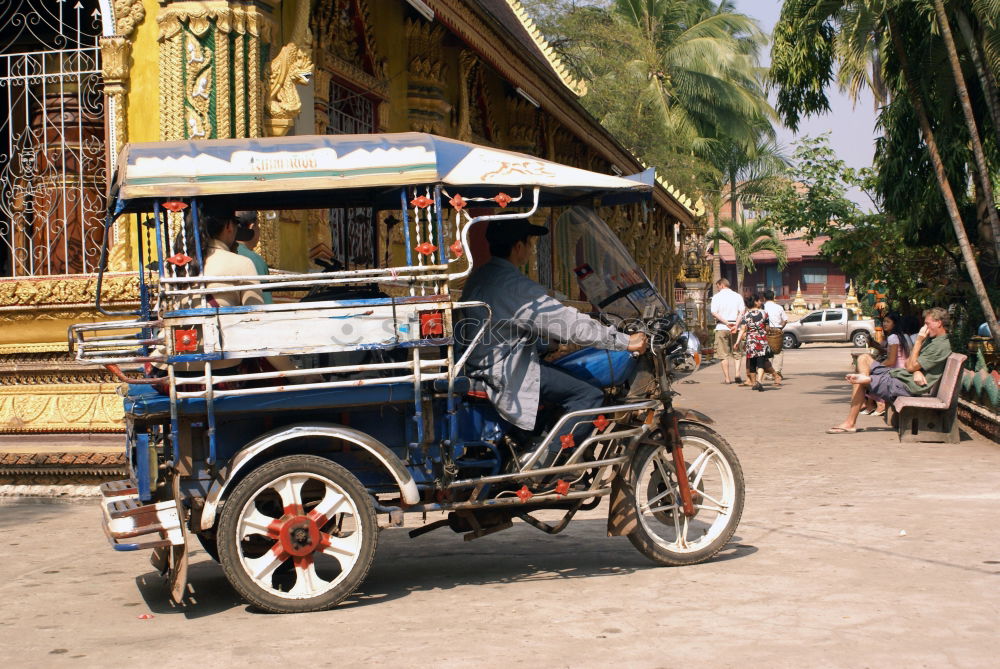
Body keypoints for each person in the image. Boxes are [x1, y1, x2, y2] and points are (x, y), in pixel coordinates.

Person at [459, 219, 648, 466]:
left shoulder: (483, 275)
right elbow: (566, 322)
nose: (532, 249)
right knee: (588, 395)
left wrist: (544, 345)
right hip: (504, 369)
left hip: (487, 361)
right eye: (530, 244)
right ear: (518, 247)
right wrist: (622, 341)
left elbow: (506, 326)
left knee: (563, 375)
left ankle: (536, 440)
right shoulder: (514, 285)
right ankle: (547, 461)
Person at [827, 307, 953, 434]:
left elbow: (909, 365)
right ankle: (867, 379)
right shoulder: (932, 340)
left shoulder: (940, 345)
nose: (924, 328)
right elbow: (909, 363)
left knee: (859, 382)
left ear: (939, 323)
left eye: (927, 324)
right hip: (902, 376)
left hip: (907, 385)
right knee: (863, 358)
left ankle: (851, 421)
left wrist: (919, 341)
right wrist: (917, 371)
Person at [735, 293, 780, 391]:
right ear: (755, 302)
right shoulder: (764, 313)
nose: (760, 302)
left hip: (750, 341)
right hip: (762, 340)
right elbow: (767, 328)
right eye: (758, 300)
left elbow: (742, 330)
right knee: (760, 362)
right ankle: (759, 381)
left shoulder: (745, 315)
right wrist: (763, 330)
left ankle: (754, 383)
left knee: (752, 363)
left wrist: (737, 342)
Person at [709, 278, 745, 384]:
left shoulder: (716, 297)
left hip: (722, 327)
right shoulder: (737, 296)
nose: (717, 288)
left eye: (717, 286)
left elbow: (714, 312)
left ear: (721, 285)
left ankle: (727, 378)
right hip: (735, 327)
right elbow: (742, 311)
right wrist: (736, 324)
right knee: (737, 351)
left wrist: (726, 323)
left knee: (723, 354)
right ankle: (737, 374)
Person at [234, 210, 273, 304]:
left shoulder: (218, 253)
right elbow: (265, 305)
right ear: (252, 227)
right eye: (258, 226)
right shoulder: (253, 260)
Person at [762, 289, 786, 383]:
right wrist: (780, 329)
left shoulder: (762, 308)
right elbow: (785, 320)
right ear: (774, 297)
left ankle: (768, 373)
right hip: (777, 330)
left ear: (764, 298)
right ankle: (777, 371)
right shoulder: (779, 307)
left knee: (766, 351)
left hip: (765, 331)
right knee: (778, 351)